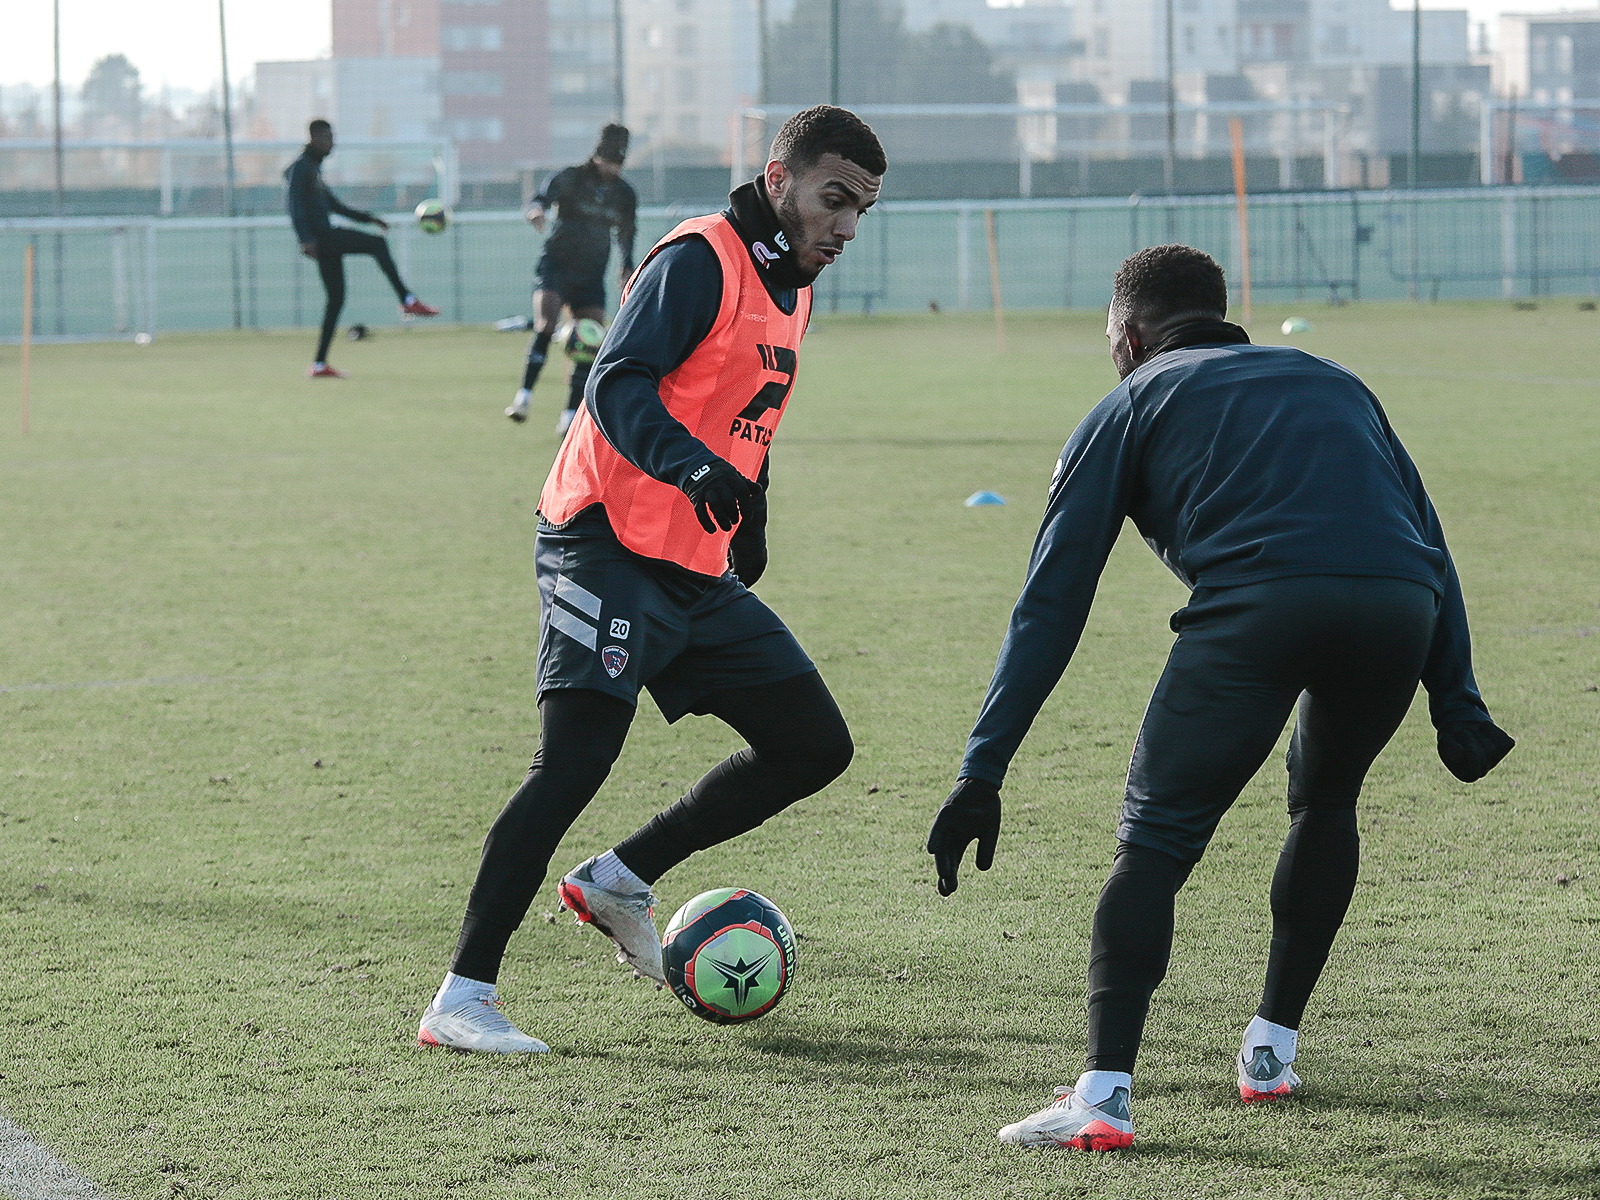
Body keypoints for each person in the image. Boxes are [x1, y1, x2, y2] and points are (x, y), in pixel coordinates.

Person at [925, 244, 1516, 1150]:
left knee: (1155, 847)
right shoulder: (1336, 380)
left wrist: (981, 769)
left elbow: (1051, 605)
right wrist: (1458, 700)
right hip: (1398, 607)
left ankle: (1103, 1096)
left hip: (1260, 610)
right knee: (1328, 802)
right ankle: (1271, 1053)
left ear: (1127, 336)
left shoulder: (1127, 402)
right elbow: (1426, 540)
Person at [419, 105, 887, 1054]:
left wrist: (748, 510)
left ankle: (619, 879)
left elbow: (741, 418)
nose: (844, 227)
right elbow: (617, 382)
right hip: (603, 541)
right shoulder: (699, 258)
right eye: (834, 199)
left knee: (813, 745)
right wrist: (691, 471)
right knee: (575, 763)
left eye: (861, 212)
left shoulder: (791, 284)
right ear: (778, 178)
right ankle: (462, 997)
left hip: (689, 560)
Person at [506, 124, 638, 433]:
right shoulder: (571, 177)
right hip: (556, 265)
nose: (615, 169)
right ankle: (523, 397)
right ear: (598, 157)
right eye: (611, 162)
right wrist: (535, 212)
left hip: (592, 272)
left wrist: (627, 265)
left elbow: (627, 232)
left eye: (620, 163)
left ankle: (568, 417)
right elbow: (539, 198)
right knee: (546, 324)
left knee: (590, 338)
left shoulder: (624, 193)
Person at [284, 119, 438, 379]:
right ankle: (407, 300)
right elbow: (294, 205)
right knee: (377, 244)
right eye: (328, 138)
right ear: (314, 138)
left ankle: (319, 364)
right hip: (323, 238)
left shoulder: (313, 169)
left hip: (324, 240)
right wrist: (305, 239)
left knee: (336, 299)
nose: (333, 142)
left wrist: (369, 218)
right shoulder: (302, 168)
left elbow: (335, 206)